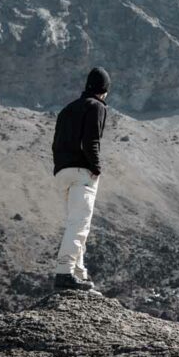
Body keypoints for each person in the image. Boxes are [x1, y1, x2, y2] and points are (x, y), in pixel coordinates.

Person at [51, 67, 109, 293]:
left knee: (74, 221)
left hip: (61, 172)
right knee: (80, 224)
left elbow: (55, 143)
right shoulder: (97, 106)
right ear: (104, 90)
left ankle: (79, 273)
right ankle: (65, 273)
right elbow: (91, 140)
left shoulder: (66, 109)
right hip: (81, 173)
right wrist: (96, 167)